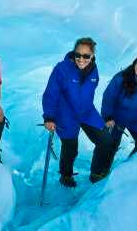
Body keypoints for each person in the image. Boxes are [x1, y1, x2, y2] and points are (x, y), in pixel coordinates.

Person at [42, 37, 115, 187]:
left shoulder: (94, 71)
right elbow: (51, 93)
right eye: (78, 55)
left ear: (92, 56)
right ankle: (66, 176)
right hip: (66, 114)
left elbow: (89, 94)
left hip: (86, 112)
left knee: (106, 140)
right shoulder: (61, 69)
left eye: (86, 56)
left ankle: (96, 173)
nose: (81, 59)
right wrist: (49, 116)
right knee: (70, 148)